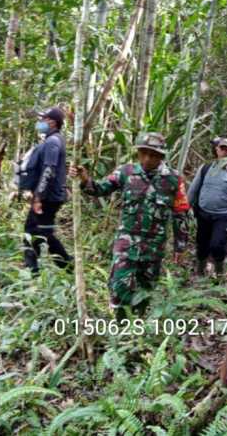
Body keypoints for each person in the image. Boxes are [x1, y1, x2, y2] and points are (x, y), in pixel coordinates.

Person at [70, 132, 190, 317]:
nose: (148, 158)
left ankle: (137, 327)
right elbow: (100, 189)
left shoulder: (173, 179)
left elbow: (181, 213)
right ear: (139, 153)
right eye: (144, 153)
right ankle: (119, 324)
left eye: (154, 155)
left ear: (162, 156)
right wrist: (85, 179)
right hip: (126, 243)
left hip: (154, 246)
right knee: (119, 285)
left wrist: (180, 247)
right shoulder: (126, 172)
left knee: (145, 289)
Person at [22, 107, 72, 276]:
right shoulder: (52, 141)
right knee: (42, 232)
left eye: (43, 119)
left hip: (48, 198)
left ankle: (33, 272)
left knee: (33, 233)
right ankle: (65, 267)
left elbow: (49, 170)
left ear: (52, 122)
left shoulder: (53, 142)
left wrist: (38, 197)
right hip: (49, 196)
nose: (40, 122)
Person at [187, 137, 227, 277]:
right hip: (203, 213)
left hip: (222, 216)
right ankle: (200, 271)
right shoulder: (206, 168)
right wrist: (185, 208)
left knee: (218, 245)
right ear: (217, 150)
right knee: (201, 244)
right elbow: (194, 189)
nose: (224, 152)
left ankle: (219, 273)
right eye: (222, 148)